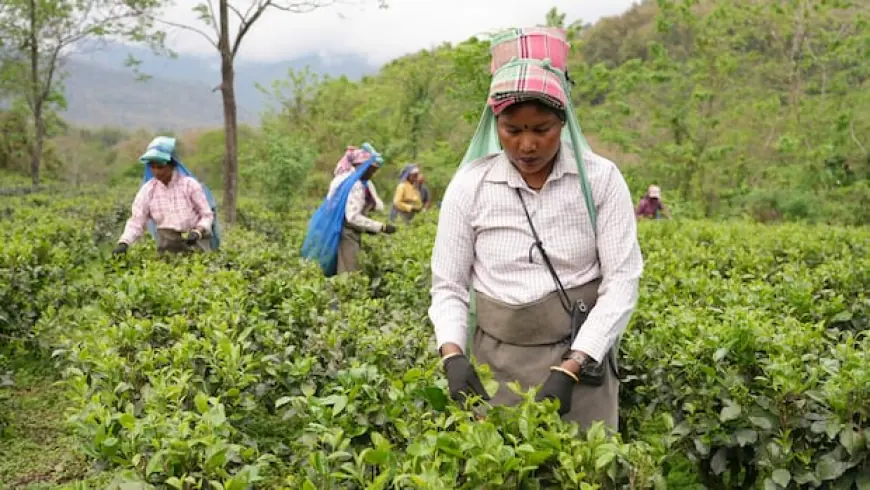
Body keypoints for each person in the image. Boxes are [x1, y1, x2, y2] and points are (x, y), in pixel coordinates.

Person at [428, 26, 643, 431]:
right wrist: (453, 356)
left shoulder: (600, 180)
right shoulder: (470, 186)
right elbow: (449, 286)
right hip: (497, 366)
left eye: (541, 129)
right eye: (513, 130)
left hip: (581, 363)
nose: (527, 145)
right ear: (496, 126)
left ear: (563, 122)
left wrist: (573, 366)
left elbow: (622, 281)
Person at [113, 140, 214, 254]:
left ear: (172, 165)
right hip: (167, 248)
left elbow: (207, 215)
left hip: (196, 245)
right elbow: (137, 221)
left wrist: (197, 232)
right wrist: (124, 242)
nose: (156, 171)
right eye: (153, 167)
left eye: (160, 167)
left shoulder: (189, 185)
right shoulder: (148, 190)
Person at [328, 145, 396, 274]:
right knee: (349, 272)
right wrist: (380, 227)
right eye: (371, 169)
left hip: (347, 230)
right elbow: (352, 217)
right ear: (361, 167)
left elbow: (376, 205)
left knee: (348, 267)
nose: (372, 173)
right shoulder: (354, 185)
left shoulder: (355, 181)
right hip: (346, 232)